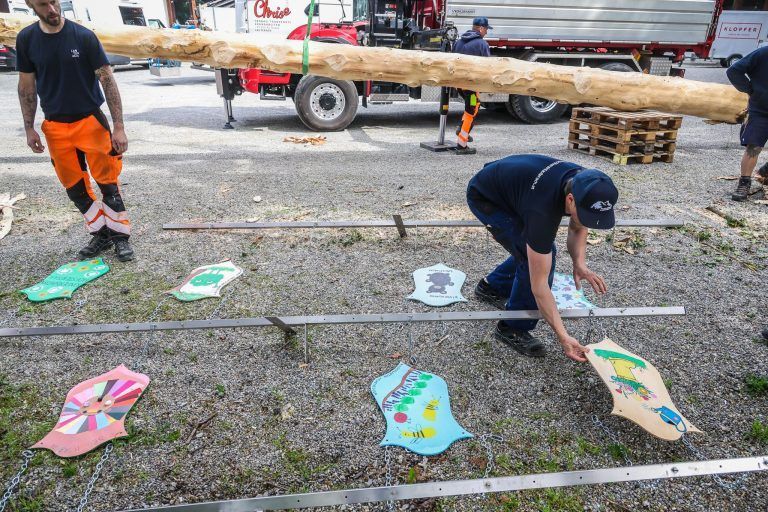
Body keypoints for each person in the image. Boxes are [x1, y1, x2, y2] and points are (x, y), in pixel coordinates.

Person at [467, 155, 618, 362]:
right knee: (533, 258)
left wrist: (579, 264)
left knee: (535, 251)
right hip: (487, 197)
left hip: (515, 186)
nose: (589, 222)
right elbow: (539, 286)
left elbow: (578, 226)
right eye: (586, 215)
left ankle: (492, 287)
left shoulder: (587, 184)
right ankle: (512, 327)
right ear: (570, 200)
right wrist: (562, 335)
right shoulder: (542, 210)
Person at [16, 0, 134, 261]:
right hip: (55, 127)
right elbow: (26, 86)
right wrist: (29, 128)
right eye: (44, 5)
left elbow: (107, 79)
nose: (53, 10)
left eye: (55, 2)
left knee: (108, 185)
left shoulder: (83, 37)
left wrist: (119, 127)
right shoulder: (26, 39)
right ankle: (101, 233)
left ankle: (120, 238)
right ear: (30, 5)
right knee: (75, 189)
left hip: (91, 122)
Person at [726, 47, 768, 201]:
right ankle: (744, 183)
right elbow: (733, 70)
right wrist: (751, 90)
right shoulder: (762, 54)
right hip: (761, 111)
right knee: (753, 147)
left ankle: (766, 171)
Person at [452, 16, 492, 155]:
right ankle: (462, 144)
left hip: (459, 84)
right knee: (472, 110)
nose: (486, 32)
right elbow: (488, 66)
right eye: (486, 29)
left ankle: (462, 128)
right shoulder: (482, 44)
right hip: (471, 86)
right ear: (481, 28)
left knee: (469, 108)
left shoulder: (459, 42)